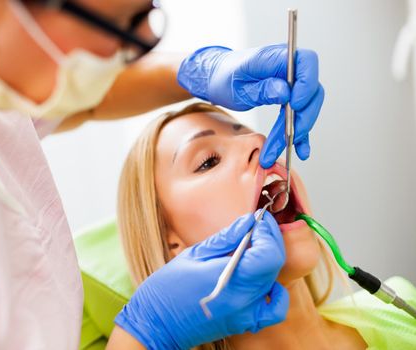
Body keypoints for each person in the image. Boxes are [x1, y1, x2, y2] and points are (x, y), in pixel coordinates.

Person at [0, 1, 324, 349]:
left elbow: (84, 94)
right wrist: (146, 333)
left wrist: (197, 71)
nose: (254, 143)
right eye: (121, 24)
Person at [117, 102, 416, 349]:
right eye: (208, 161)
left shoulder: (399, 308)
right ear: (174, 249)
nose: (258, 140)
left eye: (247, 132)